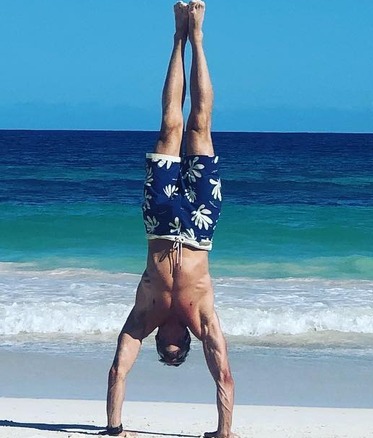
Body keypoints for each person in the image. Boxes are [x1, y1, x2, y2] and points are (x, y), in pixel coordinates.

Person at [101, 2, 235, 437]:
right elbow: (225, 378)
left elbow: (118, 371)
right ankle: (196, 36)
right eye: (178, 353)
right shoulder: (204, 320)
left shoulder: (143, 318)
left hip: (159, 224)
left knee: (168, 128)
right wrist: (224, 432)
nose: (172, 347)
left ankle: (179, 35)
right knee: (200, 126)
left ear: (159, 340)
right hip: (200, 228)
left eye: (167, 352)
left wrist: (114, 427)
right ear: (187, 343)